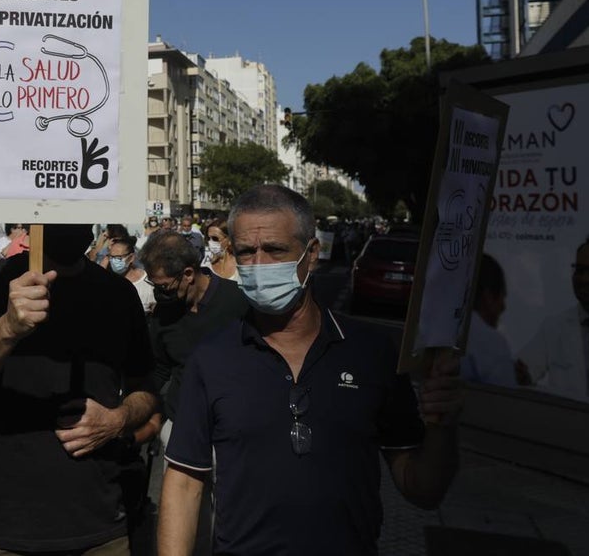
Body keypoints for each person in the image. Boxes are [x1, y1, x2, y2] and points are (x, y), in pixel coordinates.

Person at [158, 185, 462, 555]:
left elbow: (422, 489)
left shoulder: (372, 353)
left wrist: (442, 427)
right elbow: (185, 483)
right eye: (246, 252)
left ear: (312, 254)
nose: (258, 265)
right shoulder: (211, 358)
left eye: (274, 250)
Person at [0, 223, 159, 554]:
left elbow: (146, 388)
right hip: (4, 526)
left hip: (100, 524)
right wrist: (8, 326)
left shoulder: (118, 293)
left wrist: (117, 420)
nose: (70, 220)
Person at [138, 230, 247, 446]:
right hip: (181, 426)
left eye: (164, 287)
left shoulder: (239, 300)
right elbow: (160, 368)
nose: (158, 294)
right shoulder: (163, 315)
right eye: (153, 286)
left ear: (188, 274)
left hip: (233, 427)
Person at [516, 235, 589, 406]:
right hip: (568, 426)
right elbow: (524, 372)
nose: (585, 279)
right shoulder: (554, 326)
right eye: (580, 270)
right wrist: (518, 375)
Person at [461, 254, 516, 388]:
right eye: (502, 298)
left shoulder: (435, 329)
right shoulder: (492, 342)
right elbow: (506, 400)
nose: (503, 307)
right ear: (488, 297)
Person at [107, 236, 155, 316]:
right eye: (111, 257)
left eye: (118, 258)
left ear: (131, 257)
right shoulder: (108, 283)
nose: (114, 261)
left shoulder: (148, 281)